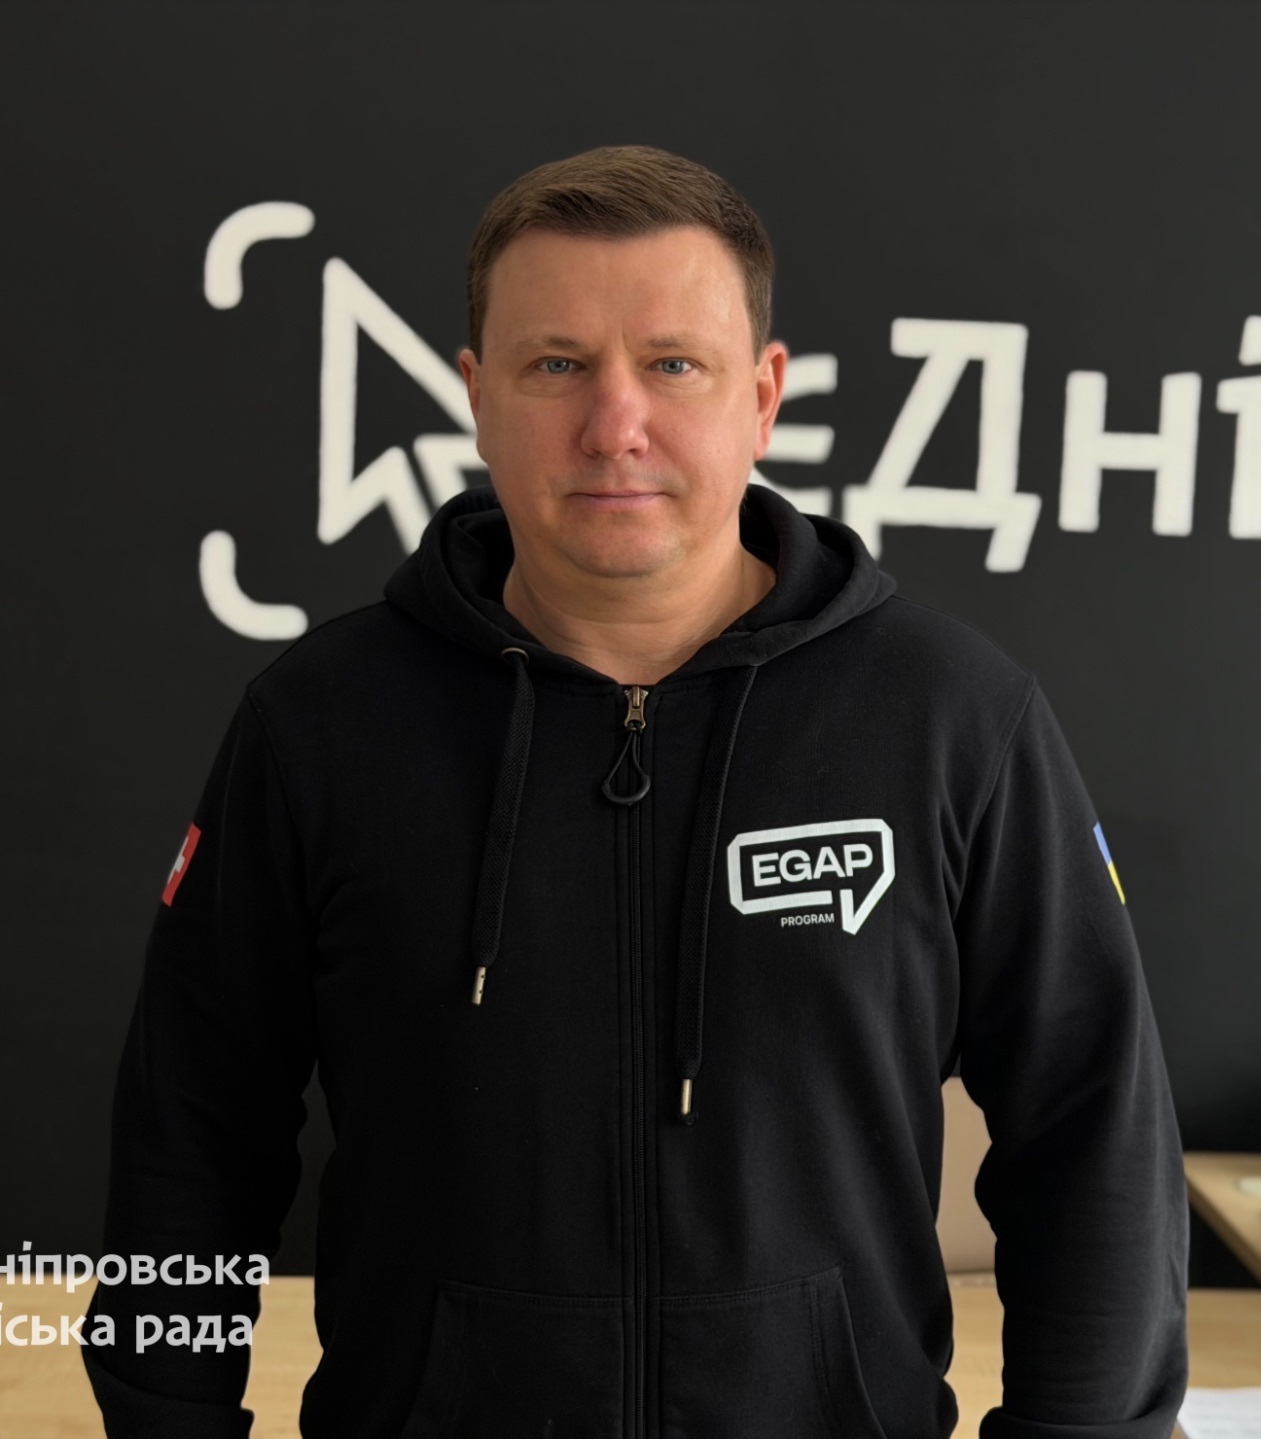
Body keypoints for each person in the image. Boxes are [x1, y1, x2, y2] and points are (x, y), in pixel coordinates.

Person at [84, 144, 1187, 1439]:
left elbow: (1093, 1135)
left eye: (673, 364)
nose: (616, 425)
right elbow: (192, 1140)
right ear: (476, 396)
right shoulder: (321, 727)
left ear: (761, 398)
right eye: (556, 365)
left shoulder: (953, 720)